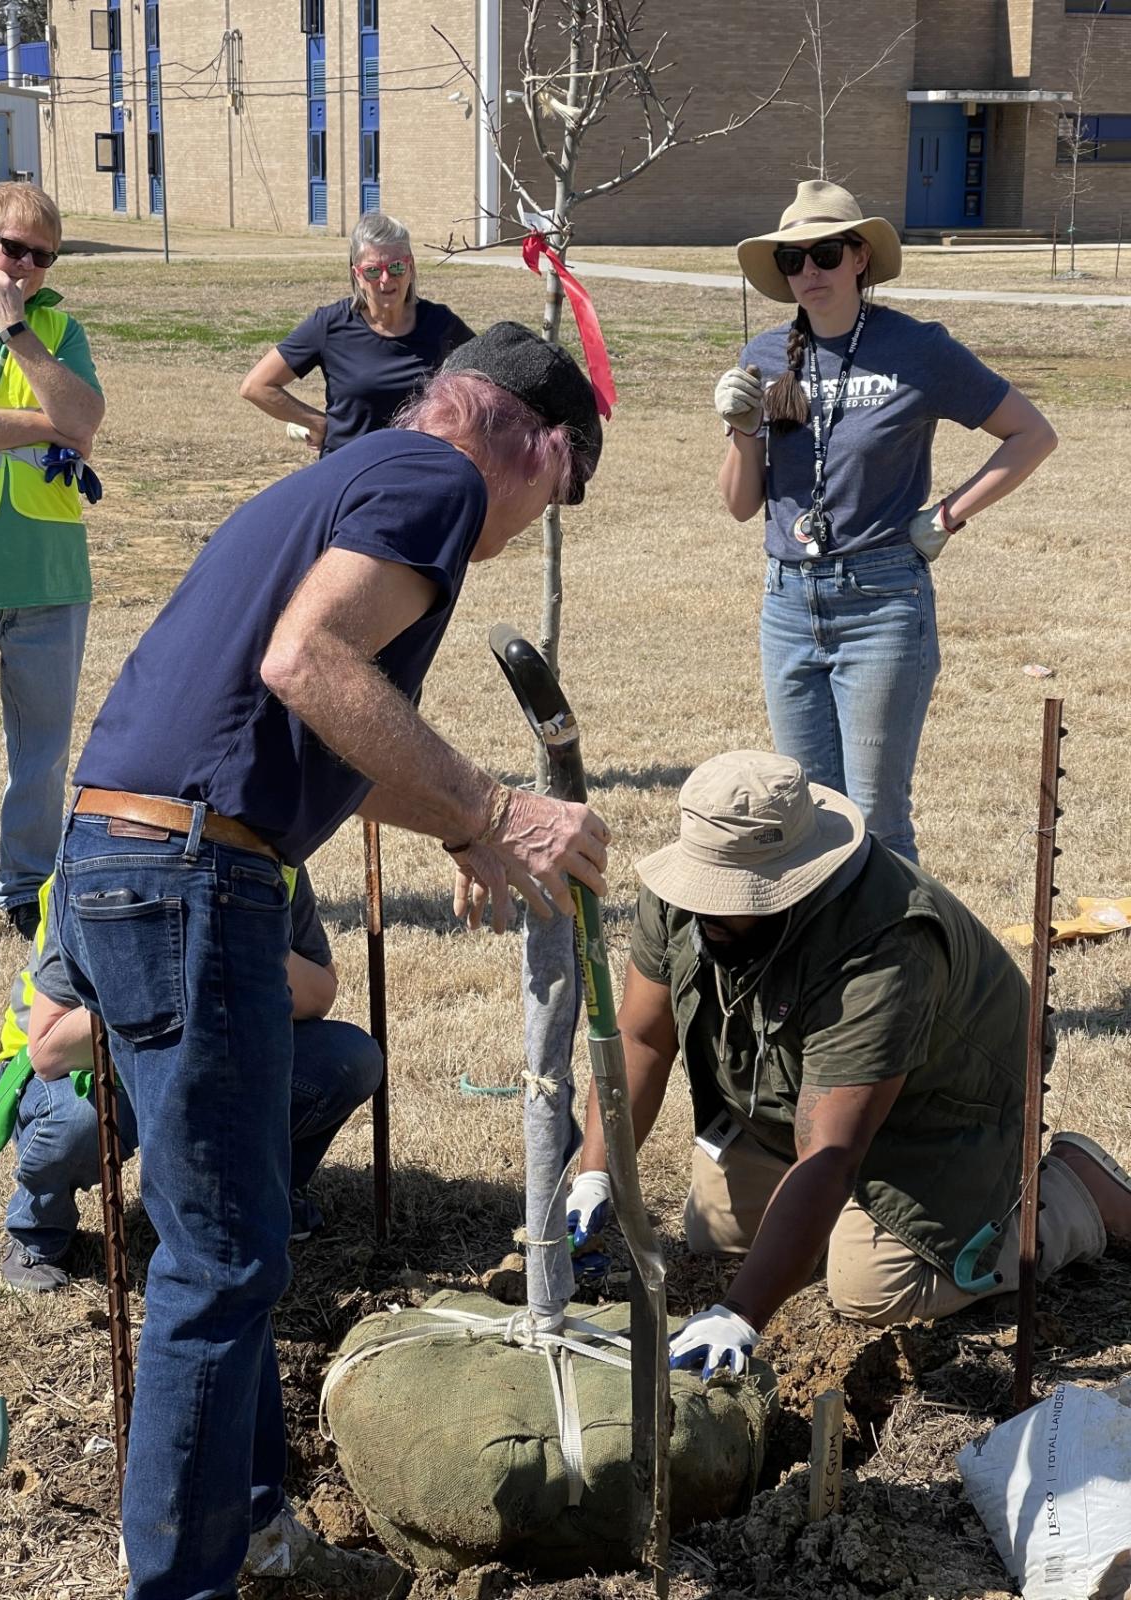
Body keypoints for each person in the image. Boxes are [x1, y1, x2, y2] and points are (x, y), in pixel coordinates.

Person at [50, 321, 610, 1600]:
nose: (536, 521)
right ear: (537, 441)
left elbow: (298, 733)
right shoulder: (439, 481)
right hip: (192, 876)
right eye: (563, 489)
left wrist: (460, 815)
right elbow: (308, 664)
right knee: (221, 1261)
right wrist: (494, 809)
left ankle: (256, 1544)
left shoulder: (338, 478)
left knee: (219, 1249)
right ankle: (183, 1583)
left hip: (132, 857)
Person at [566, 752, 1131, 1381]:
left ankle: (1070, 1196)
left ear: (791, 883)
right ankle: (835, 1227)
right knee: (714, 1230)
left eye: (730, 899)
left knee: (872, 1292)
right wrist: (597, 1174)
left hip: (940, 1110)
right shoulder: (684, 896)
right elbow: (642, 1040)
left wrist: (741, 1312)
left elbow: (830, 1155)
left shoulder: (886, 946)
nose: (705, 910)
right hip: (810, 1100)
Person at [715, 180, 1057, 863]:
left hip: (882, 602)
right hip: (787, 605)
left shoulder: (918, 349)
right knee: (805, 819)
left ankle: (896, 970)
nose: (810, 271)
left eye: (826, 253)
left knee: (876, 825)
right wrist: (740, 429)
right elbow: (740, 504)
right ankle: (830, 969)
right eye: (793, 260)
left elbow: (1030, 435)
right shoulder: (764, 354)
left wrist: (948, 515)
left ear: (860, 258)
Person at [0, 868, 383, 1292]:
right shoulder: (94, 864)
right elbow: (51, 1052)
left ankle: (262, 1194)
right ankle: (38, 1228)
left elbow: (320, 996)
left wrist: (241, 942)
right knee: (78, 1122)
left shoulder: (275, 856)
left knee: (348, 1059)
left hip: (218, 1047)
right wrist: (167, 978)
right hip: (85, 1065)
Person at [0, 182, 105, 938]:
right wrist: (43, 423)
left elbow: (86, 421)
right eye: (13, 248)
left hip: (50, 573)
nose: (27, 267)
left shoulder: (57, 328)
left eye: (43, 256)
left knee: (42, 754)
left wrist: (17, 333)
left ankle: (24, 890)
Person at [239, 211, 473, 456]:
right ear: (357, 275)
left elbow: (487, 380)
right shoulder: (330, 325)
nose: (385, 279)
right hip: (348, 470)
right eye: (373, 271)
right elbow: (256, 386)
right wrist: (319, 423)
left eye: (396, 267)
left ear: (411, 267)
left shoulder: (440, 324)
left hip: (417, 469)